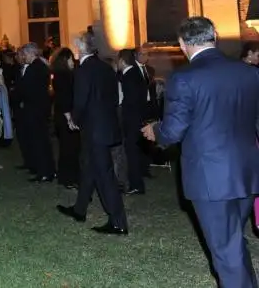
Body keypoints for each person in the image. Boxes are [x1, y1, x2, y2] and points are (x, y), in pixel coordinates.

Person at [142, 17, 259, 287]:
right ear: (214, 36)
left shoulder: (184, 78)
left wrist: (155, 132)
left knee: (225, 251)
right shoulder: (250, 73)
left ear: (182, 44)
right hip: (247, 170)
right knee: (231, 242)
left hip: (211, 178)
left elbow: (173, 132)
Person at [57, 32, 128, 235]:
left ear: (80, 48)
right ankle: (79, 210)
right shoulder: (106, 68)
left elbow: (80, 100)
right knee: (88, 168)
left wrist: (74, 120)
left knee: (104, 176)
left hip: (94, 130)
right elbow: (113, 98)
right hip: (105, 127)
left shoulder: (84, 70)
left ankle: (118, 222)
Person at [16, 43, 55, 183]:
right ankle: (49, 169)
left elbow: (28, 89)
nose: (23, 57)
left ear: (31, 53)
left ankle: (44, 171)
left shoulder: (34, 68)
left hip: (34, 109)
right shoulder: (41, 66)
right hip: (40, 109)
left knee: (39, 141)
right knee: (43, 141)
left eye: (25, 54)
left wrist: (19, 94)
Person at [117, 48, 148, 196]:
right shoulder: (136, 74)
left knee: (131, 152)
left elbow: (130, 100)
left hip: (131, 119)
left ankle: (136, 184)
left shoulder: (128, 76)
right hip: (138, 118)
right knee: (134, 150)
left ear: (122, 61)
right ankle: (137, 182)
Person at [51, 48, 79, 189]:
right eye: (70, 59)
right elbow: (64, 97)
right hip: (65, 115)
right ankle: (69, 178)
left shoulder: (61, 74)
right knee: (69, 147)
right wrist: (69, 117)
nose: (73, 62)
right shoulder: (64, 75)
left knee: (67, 146)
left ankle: (65, 176)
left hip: (62, 114)